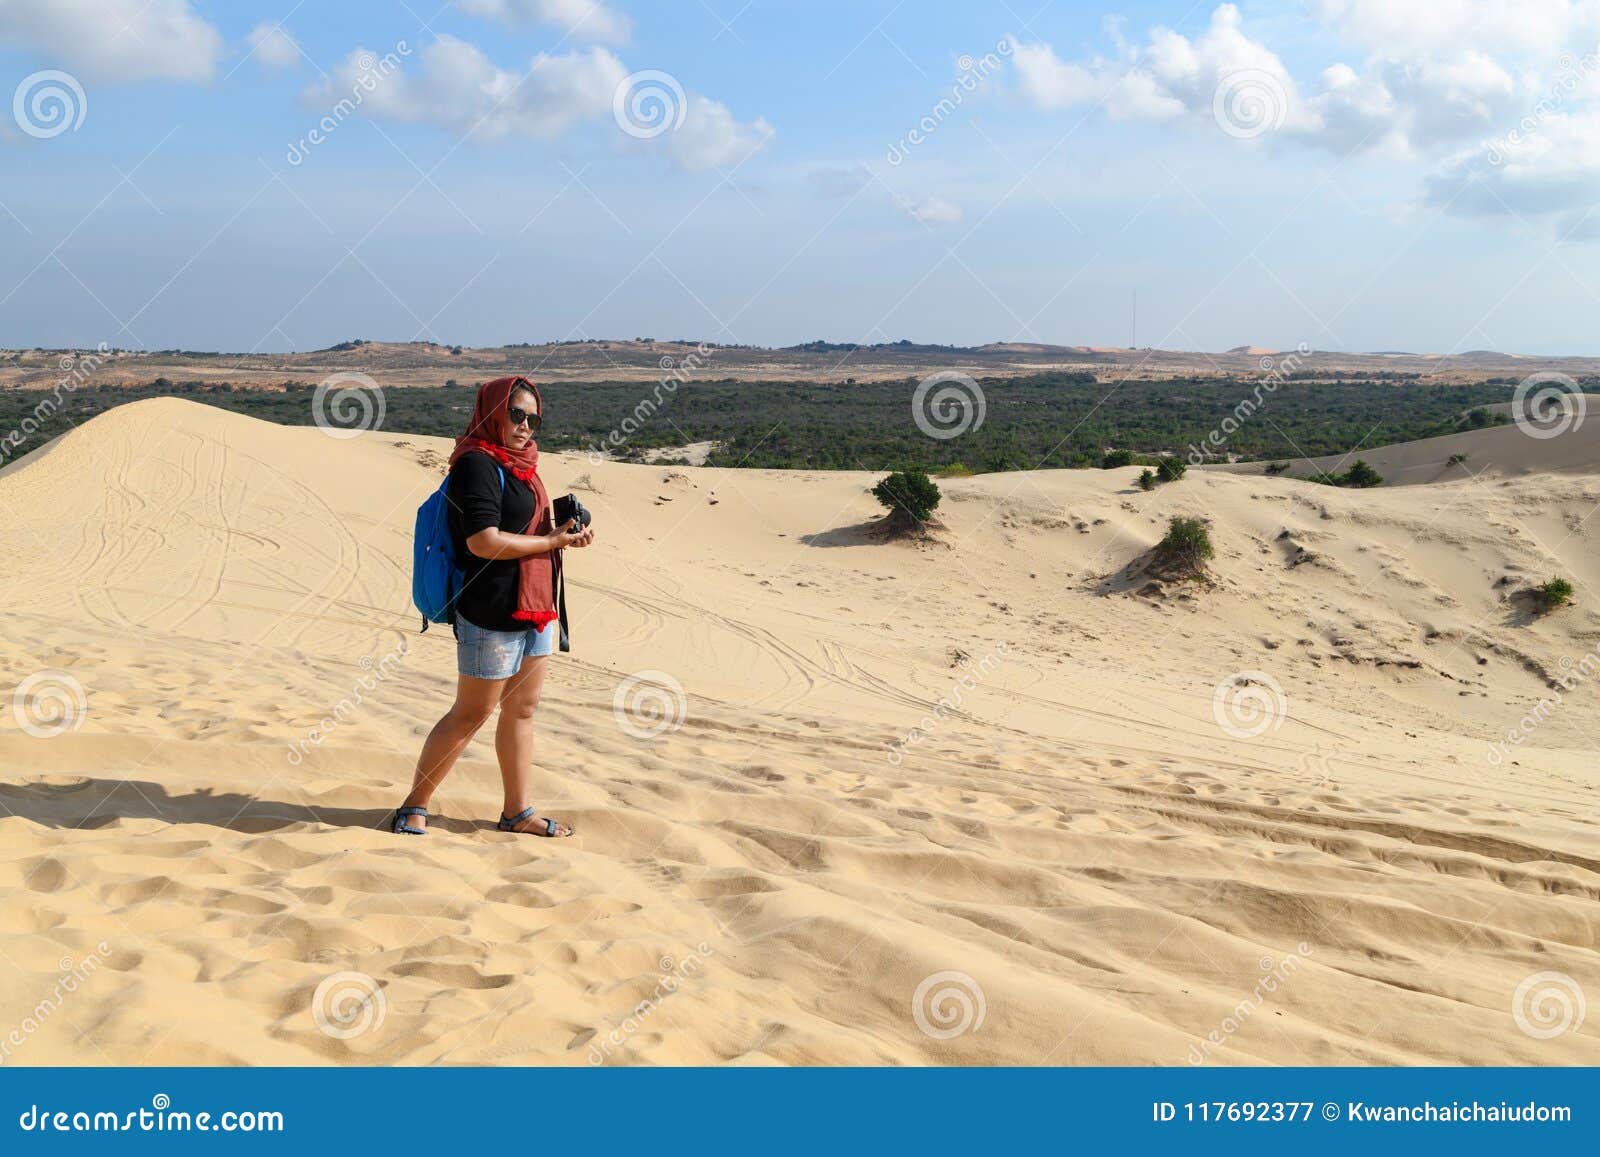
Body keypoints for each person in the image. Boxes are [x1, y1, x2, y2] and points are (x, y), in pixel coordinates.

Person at [392, 376, 594, 837]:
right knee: (470, 714)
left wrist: (566, 532)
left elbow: (528, 529)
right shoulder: (476, 465)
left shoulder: (524, 465)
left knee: (522, 711)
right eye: (516, 414)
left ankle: (517, 812)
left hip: (536, 608)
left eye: (534, 418)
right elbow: (482, 542)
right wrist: (547, 539)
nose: (526, 426)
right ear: (492, 412)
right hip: (490, 611)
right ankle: (414, 804)